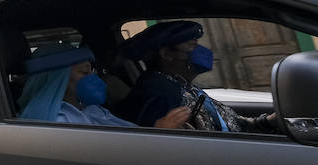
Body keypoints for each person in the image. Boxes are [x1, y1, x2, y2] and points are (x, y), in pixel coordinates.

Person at [117, 21, 278, 133]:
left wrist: (267, 122)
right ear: (166, 54)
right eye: (191, 46)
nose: (199, 51)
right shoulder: (159, 93)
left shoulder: (180, 84)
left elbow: (229, 124)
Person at [18, 43, 190, 129]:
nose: (93, 78)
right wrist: (160, 131)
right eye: (84, 73)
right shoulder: (59, 123)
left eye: (92, 71)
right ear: (57, 81)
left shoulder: (92, 110)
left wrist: (157, 129)